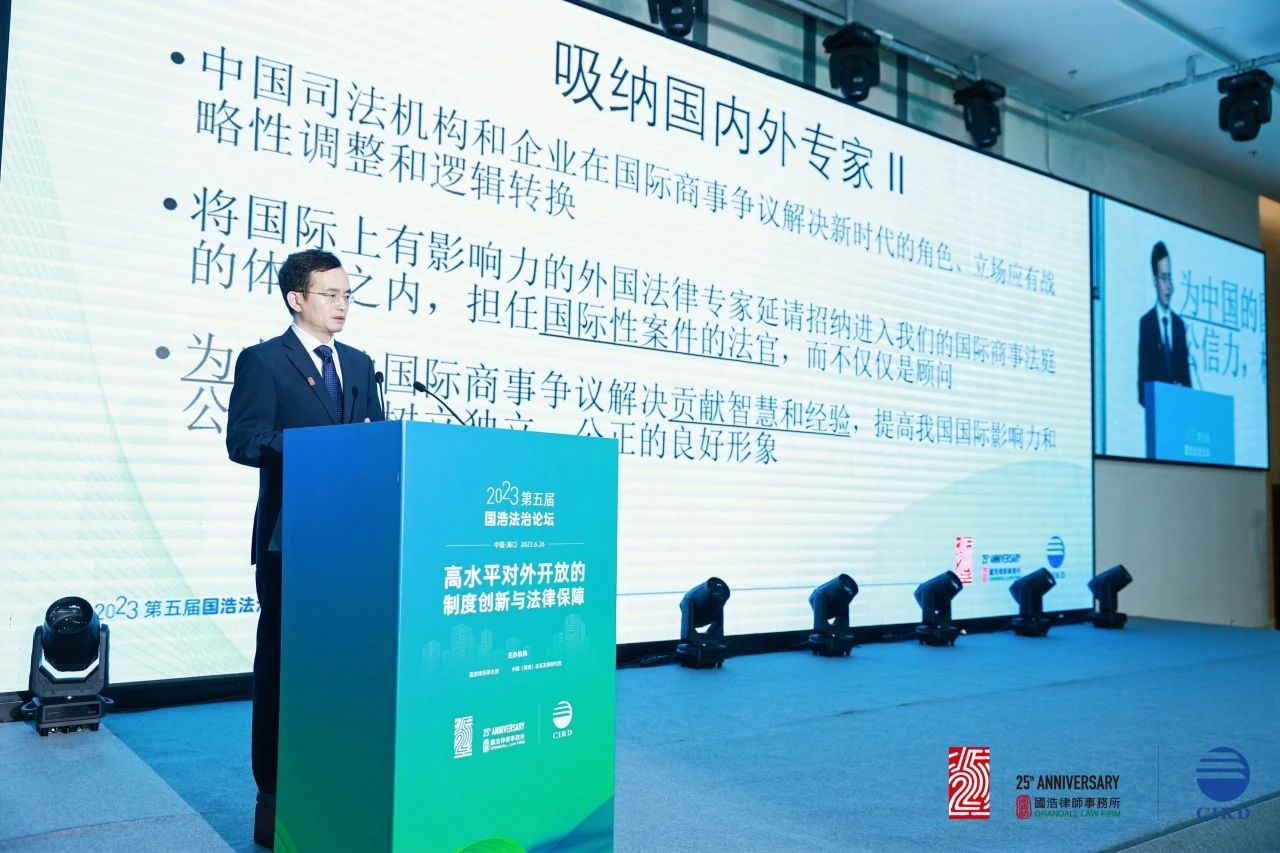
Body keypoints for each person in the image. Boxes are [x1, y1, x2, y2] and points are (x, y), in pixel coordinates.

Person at [226, 249, 383, 848]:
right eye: (331, 294)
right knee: (283, 668)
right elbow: (245, 441)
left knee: (347, 666)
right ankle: (275, 796)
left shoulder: (360, 364)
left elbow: (375, 442)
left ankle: (338, 783)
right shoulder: (265, 360)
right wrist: (317, 452)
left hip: (355, 543)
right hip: (290, 542)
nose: (343, 305)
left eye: (348, 295)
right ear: (297, 298)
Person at [1136, 240, 1191, 406]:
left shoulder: (1179, 326)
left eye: (1170, 278)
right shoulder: (1146, 324)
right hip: (1158, 414)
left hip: (1179, 415)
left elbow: (1188, 383)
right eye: (1163, 278)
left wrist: (1182, 392)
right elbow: (1142, 388)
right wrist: (1164, 396)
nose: (1168, 287)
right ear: (1155, 281)